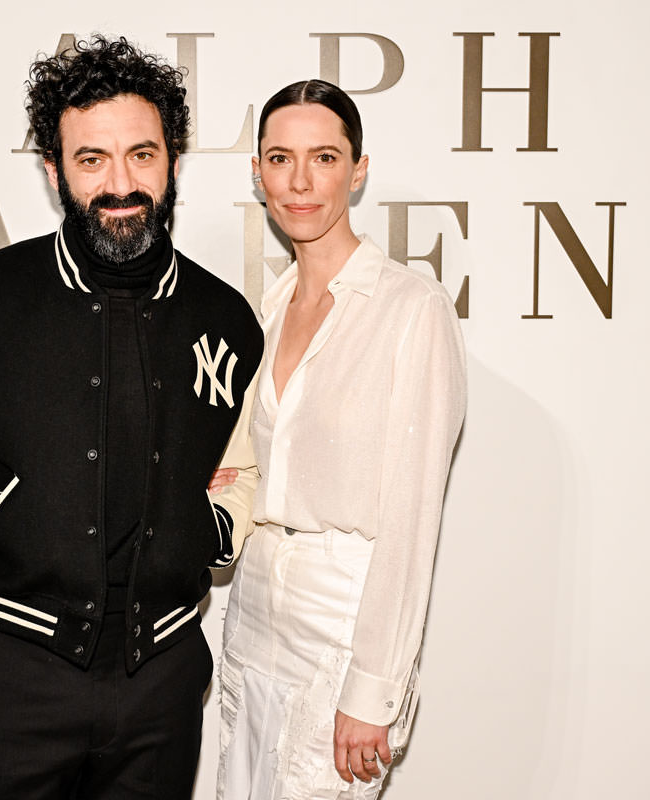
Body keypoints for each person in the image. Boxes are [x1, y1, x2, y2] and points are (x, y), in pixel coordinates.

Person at [0, 35, 262, 800]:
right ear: (54, 170)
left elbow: (244, 470)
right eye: (92, 159)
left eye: (142, 155)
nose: (121, 183)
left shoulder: (226, 317)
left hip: (165, 682)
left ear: (173, 161)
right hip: (14, 679)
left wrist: (213, 530)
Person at [210, 80, 467, 799]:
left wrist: (375, 687)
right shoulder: (262, 311)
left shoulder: (411, 309)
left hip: (343, 624)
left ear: (357, 171)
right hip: (253, 612)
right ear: (258, 173)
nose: (300, 181)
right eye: (280, 158)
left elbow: (413, 516)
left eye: (323, 157)